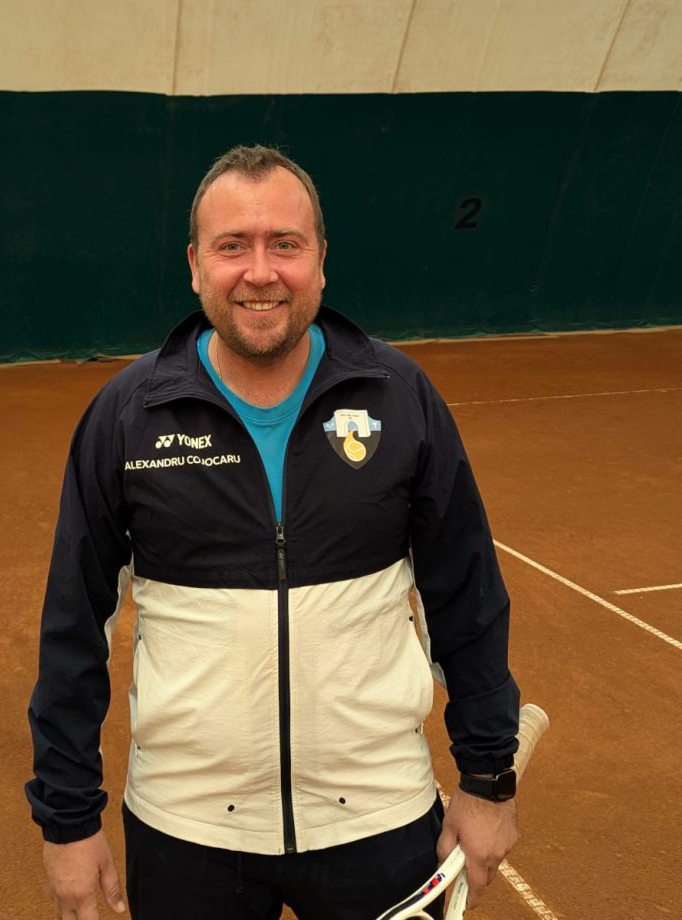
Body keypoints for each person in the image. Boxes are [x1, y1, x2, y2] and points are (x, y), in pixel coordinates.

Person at [26, 145, 520, 920]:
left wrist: (488, 782)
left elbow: (468, 598)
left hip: (378, 814)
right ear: (196, 266)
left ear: (321, 260)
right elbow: (73, 627)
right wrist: (68, 821)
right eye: (233, 246)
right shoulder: (128, 416)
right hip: (186, 825)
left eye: (285, 244)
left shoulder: (399, 398)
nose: (261, 273)